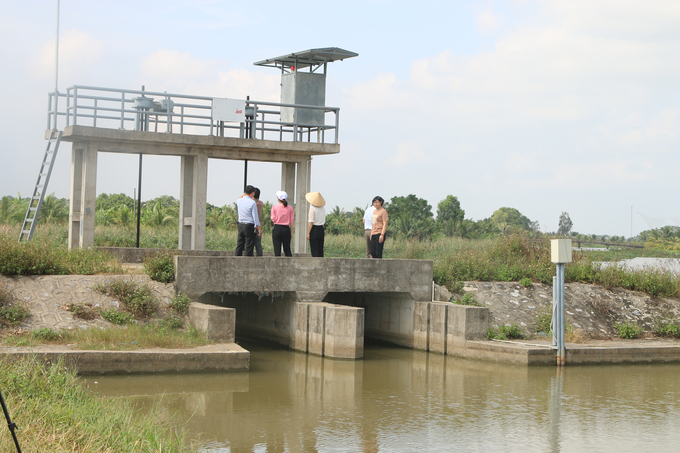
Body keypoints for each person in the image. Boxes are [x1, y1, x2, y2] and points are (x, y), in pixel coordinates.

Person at [235, 185, 261, 256]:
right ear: (253, 193)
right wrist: (259, 228)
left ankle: (236, 259)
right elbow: (255, 217)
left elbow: (239, 198)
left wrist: (245, 193)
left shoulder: (239, 201)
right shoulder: (252, 203)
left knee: (239, 244)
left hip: (241, 224)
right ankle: (247, 262)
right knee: (249, 246)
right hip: (249, 225)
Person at [270, 190, 294, 257]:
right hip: (286, 229)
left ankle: (277, 264)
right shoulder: (290, 208)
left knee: (277, 249)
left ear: (278, 198)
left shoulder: (274, 207)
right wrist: (291, 232)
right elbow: (292, 221)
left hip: (277, 228)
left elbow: (273, 219)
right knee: (287, 249)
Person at [305, 191, 326, 257]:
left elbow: (311, 222)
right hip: (321, 229)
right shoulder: (323, 208)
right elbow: (323, 222)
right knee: (320, 248)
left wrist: (308, 233)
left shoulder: (312, 208)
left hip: (314, 229)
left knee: (314, 249)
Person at [253, 188, 264, 256]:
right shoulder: (260, 203)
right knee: (258, 245)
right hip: (258, 224)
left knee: (249, 244)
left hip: (252, 224)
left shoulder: (252, 203)